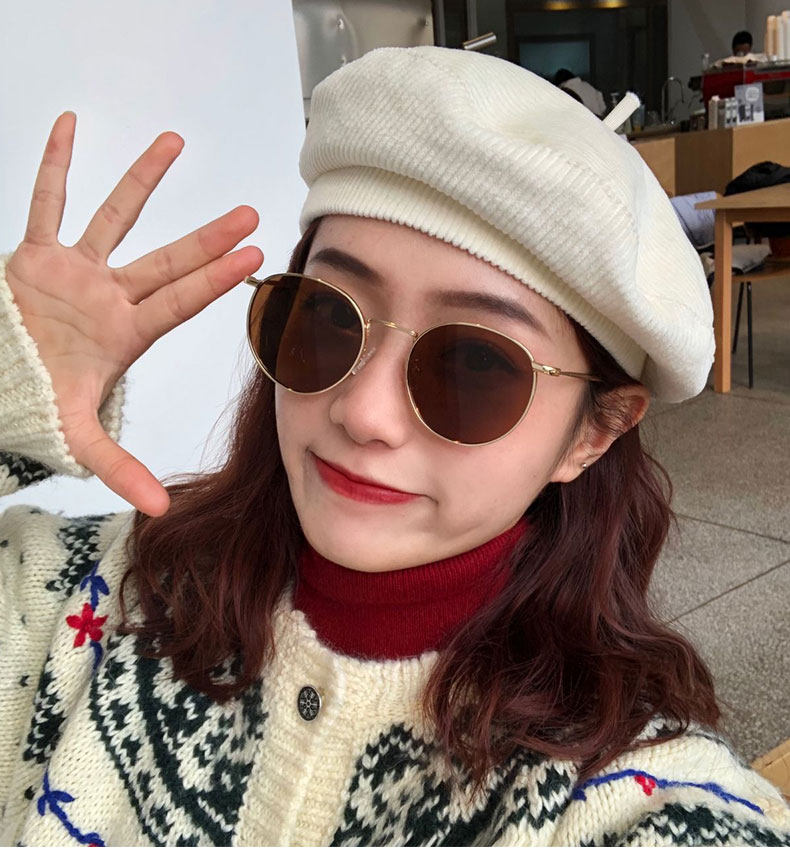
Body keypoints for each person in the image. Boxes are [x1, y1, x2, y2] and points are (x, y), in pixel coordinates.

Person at [1, 46, 789, 847]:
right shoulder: (88, 603)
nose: (364, 412)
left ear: (594, 432)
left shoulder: (626, 794)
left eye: (474, 365)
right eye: (328, 317)